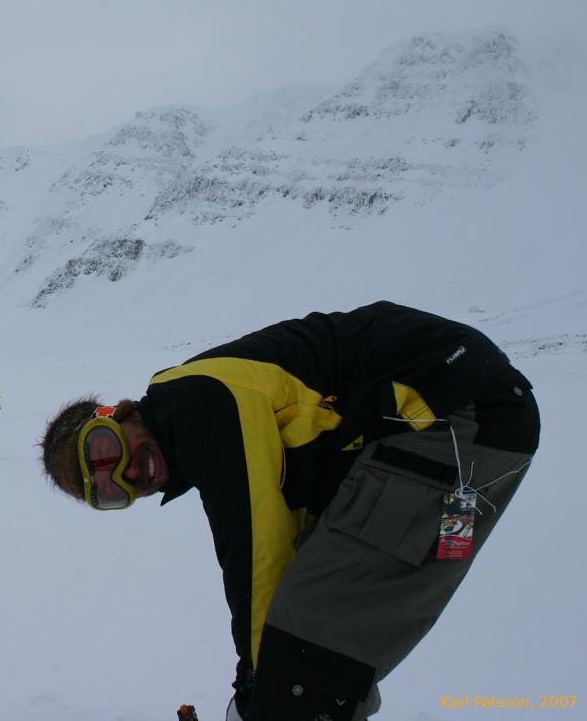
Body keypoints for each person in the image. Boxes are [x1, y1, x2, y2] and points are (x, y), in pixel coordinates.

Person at [40, 301, 539, 721]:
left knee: (303, 647)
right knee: (321, 652)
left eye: (104, 451)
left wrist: (260, 677)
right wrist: (256, 677)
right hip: (479, 443)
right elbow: (289, 545)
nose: (126, 474)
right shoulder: (211, 426)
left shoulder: (190, 398)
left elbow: (256, 542)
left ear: (119, 414)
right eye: (108, 492)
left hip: (452, 411)